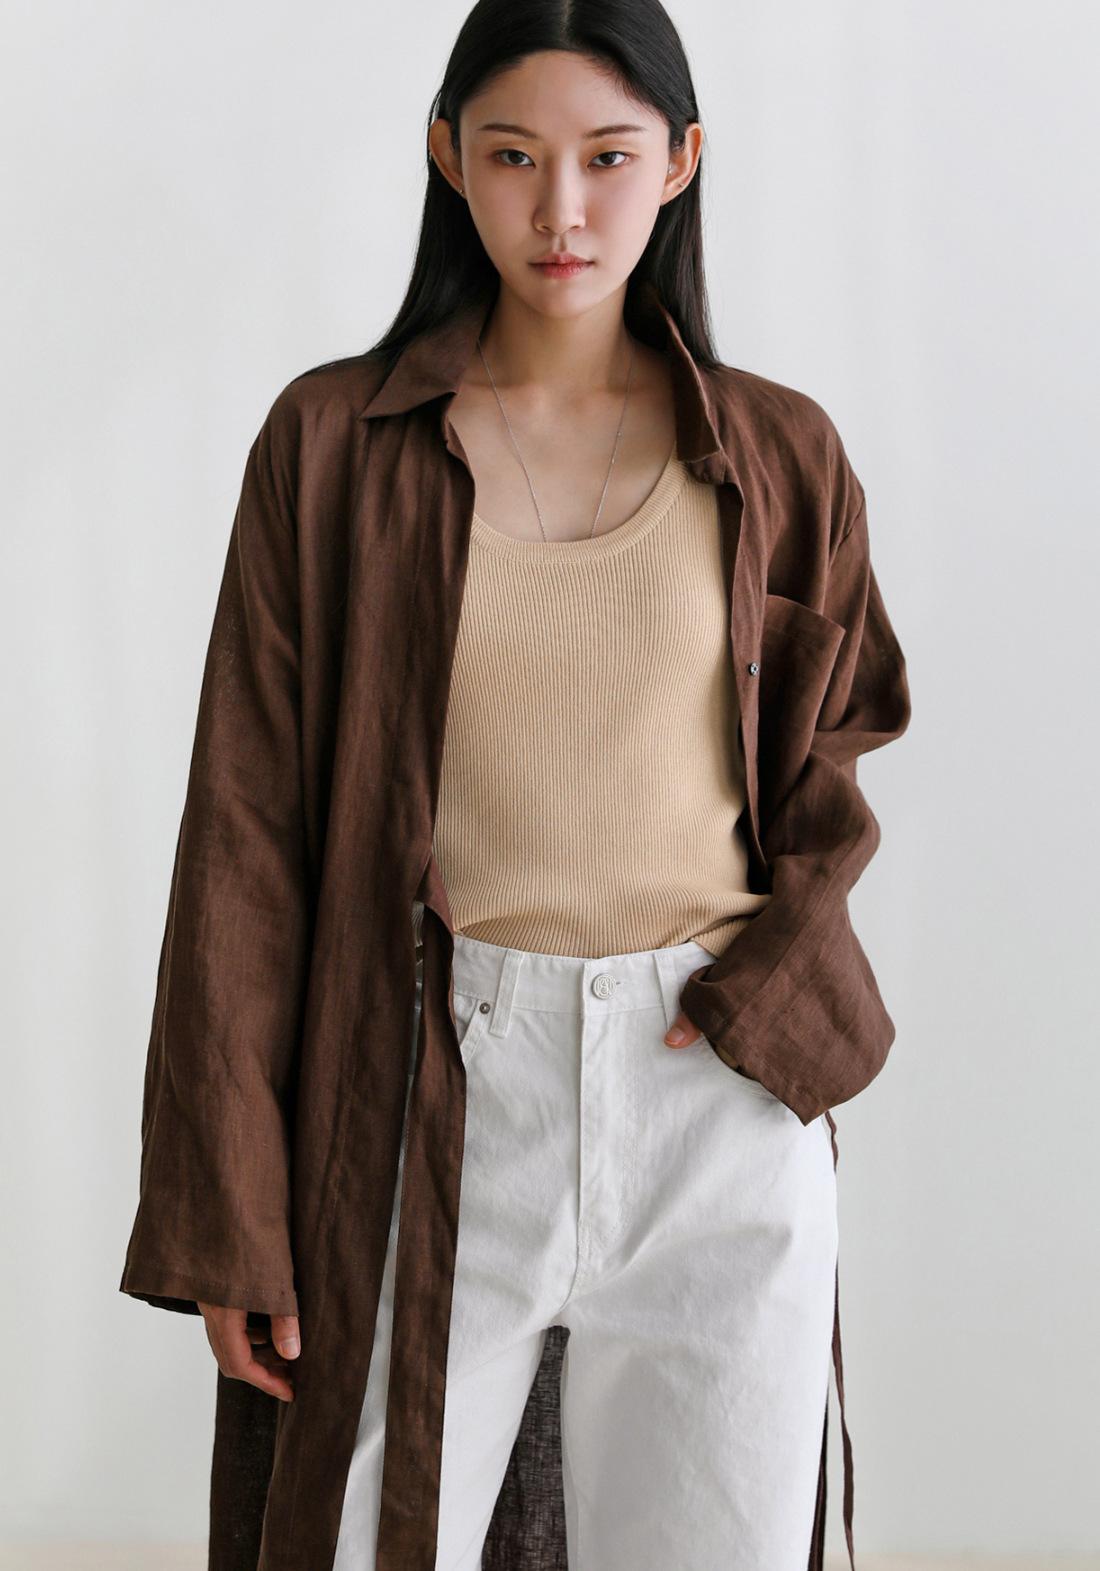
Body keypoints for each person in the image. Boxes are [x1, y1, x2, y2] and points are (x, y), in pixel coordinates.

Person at [119, 4, 912, 1569]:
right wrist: (233, 1207)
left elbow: (837, 745)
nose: (562, 209)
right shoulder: (334, 445)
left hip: (714, 1093)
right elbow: (246, 833)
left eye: (609, 157)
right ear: (447, 158)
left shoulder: (777, 453)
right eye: (513, 156)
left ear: (681, 161)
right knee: (352, 1533)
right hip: (425, 1079)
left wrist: (771, 991)